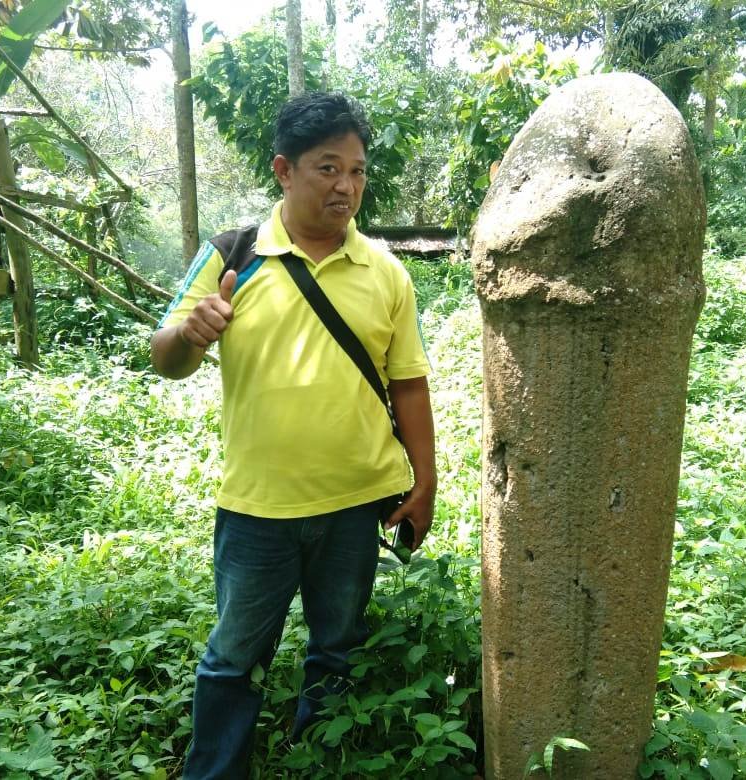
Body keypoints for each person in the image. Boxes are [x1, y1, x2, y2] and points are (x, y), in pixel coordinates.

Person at [150, 91, 436, 779]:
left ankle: (319, 758)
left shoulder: (386, 273)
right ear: (284, 170)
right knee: (233, 656)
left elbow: (408, 385)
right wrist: (191, 334)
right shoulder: (234, 254)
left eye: (357, 171)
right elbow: (165, 358)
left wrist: (425, 481)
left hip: (355, 503)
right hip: (259, 507)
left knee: (337, 646)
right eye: (327, 168)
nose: (346, 186)